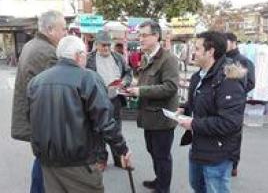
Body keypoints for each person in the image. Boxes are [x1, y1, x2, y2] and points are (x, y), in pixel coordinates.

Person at [26, 35, 132, 193]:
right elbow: (105, 122)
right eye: (84, 53)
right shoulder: (88, 78)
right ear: (79, 55)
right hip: (79, 162)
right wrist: (122, 149)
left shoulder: (36, 81)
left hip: (48, 162)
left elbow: (31, 119)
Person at [178, 31, 247, 193]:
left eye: (197, 48)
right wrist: (185, 108)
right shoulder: (198, 76)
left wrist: (193, 123)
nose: (193, 52)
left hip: (219, 152)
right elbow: (201, 100)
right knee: (197, 186)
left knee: (215, 189)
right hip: (198, 146)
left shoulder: (228, 79)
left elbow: (230, 122)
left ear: (210, 51)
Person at [11, 10, 67, 193]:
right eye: (63, 29)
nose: (65, 34)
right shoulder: (47, 52)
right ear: (50, 30)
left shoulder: (33, 45)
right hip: (43, 121)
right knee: (47, 167)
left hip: (35, 119)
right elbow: (56, 92)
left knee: (43, 162)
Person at [126, 20, 179, 193]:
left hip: (162, 118)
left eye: (144, 35)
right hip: (149, 117)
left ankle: (164, 188)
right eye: (139, 35)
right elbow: (145, 82)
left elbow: (170, 87)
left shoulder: (168, 58)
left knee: (162, 156)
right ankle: (159, 180)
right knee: (153, 152)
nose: (140, 39)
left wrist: (140, 91)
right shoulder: (146, 57)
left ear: (156, 36)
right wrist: (132, 88)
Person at [86, 30, 132, 168]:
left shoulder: (118, 57)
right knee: (98, 130)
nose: (106, 48)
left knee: (116, 128)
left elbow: (128, 73)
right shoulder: (89, 59)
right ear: (96, 45)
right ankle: (101, 159)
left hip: (115, 98)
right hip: (97, 100)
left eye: (108, 45)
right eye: (103, 45)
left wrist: (124, 82)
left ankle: (119, 158)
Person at [224, 32, 255, 177]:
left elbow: (251, 83)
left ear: (233, 42)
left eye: (226, 41)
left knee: (234, 134)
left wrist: (237, 95)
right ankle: (221, 161)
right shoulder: (221, 59)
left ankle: (233, 164)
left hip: (236, 104)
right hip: (220, 102)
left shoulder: (245, 61)